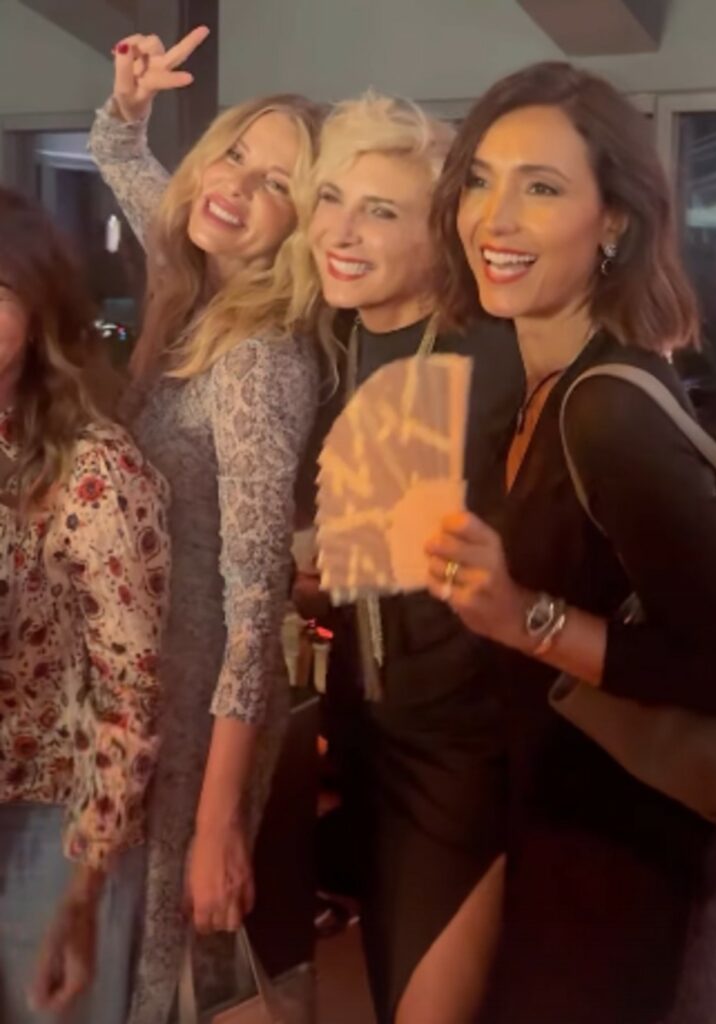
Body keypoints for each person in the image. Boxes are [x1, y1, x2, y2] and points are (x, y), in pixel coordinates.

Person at [426, 62, 716, 1023]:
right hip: (560, 825)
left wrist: (522, 617)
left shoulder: (608, 412)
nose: (494, 218)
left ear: (613, 221)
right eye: (480, 180)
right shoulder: (544, 384)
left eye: (541, 188)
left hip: (635, 861)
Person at [89, 26, 324, 1022]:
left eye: (277, 183)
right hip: (139, 681)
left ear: (301, 225)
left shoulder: (262, 356)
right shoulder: (191, 276)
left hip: (198, 708)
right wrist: (131, 99)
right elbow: (120, 156)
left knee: (167, 969)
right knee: (116, 950)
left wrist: (220, 816)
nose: (236, 185)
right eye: (234, 152)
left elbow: (255, 606)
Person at [292, 92, 524, 1024]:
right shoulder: (333, 341)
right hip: (362, 727)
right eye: (331, 199)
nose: (340, 232)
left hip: (464, 744)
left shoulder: (499, 356)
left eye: (380, 211)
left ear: (441, 233)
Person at [0, 187, 170, 1023]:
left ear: (38, 310)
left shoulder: (94, 470)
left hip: (54, 821)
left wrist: (84, 885)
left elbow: (129, 694)